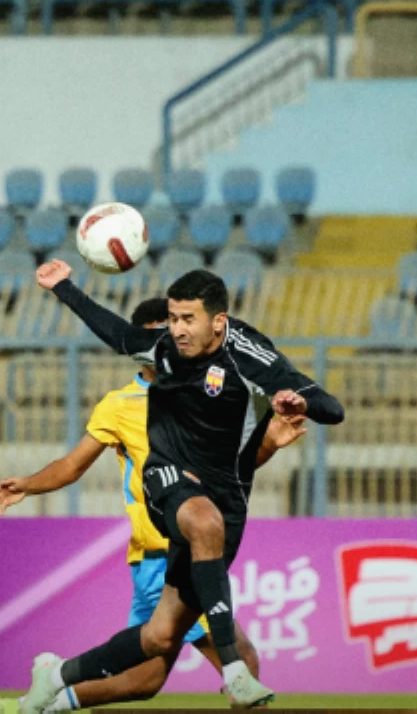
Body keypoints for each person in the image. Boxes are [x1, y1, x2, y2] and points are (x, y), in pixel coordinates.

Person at [20, 263, 345, 713]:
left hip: (225, 497)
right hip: (166, 478)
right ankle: (233, 670)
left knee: (158, 639)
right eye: (173, 318)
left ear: (219, 321)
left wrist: (301, 401)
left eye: (187, 319)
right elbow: (116, 332)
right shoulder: (163, 349)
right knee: (204, 525)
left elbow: (332, 408)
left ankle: (55, 675)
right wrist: (63, 287)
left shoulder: (251, 357)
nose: (176, 330)